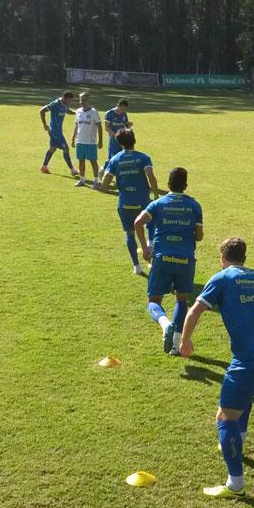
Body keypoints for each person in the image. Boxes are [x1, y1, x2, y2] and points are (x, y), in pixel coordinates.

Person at [179, 237, 254, 498]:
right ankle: (237, 442)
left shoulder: (222, 277)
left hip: (250, 358)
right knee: (245, 393)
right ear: (244, 257)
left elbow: (194, 311)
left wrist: (185, 339)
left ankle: (235, 484)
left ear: (222, 258)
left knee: (225, 416)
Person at [134, 167, 203, 354]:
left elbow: (138, 223)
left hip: (162, 257)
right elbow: (199, 236)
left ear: (168, 185)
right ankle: (175, 345)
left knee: (153, 300)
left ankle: (165, 324)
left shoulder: (158, 203)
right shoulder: (195, 206)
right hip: (186, 258)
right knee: (181, 300)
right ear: (186, 186)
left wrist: (146, 248)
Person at [101, 129, 159, 274]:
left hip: (125, 204)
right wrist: (156, 196)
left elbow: (105, 183)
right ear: (134, 140)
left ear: (119, 143)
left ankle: (136, 266)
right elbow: (150, 176)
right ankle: (150, 249)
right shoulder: (143, 157)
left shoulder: (115, 159)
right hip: (143, 203)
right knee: (152, 223)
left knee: (130, 234)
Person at [40, 91, 77, 175]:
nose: (69, 102)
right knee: (66, 149)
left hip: (58, 130)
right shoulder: (55, 103)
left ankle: (44, 167)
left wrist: (77, 113)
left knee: (52, 148)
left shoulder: (65, 104)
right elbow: (42, 111)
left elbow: (67, 111)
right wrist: (45, 124)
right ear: (64, 98)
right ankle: (72, 170)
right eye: (69, 100)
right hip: (54, 131)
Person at [71, 92, 102, 188]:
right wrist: (73, 138)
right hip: (80, 141)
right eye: (80, 100)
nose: (82, 102)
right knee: (81, 161)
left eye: (84, 100)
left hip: (91, 142)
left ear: (88, 100)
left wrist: (100, 140)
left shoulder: (93, 112)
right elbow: (76, 125)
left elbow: (99, 126)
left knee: (93, 162)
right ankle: (82, 179)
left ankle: (96, 181)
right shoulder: (78, 111)